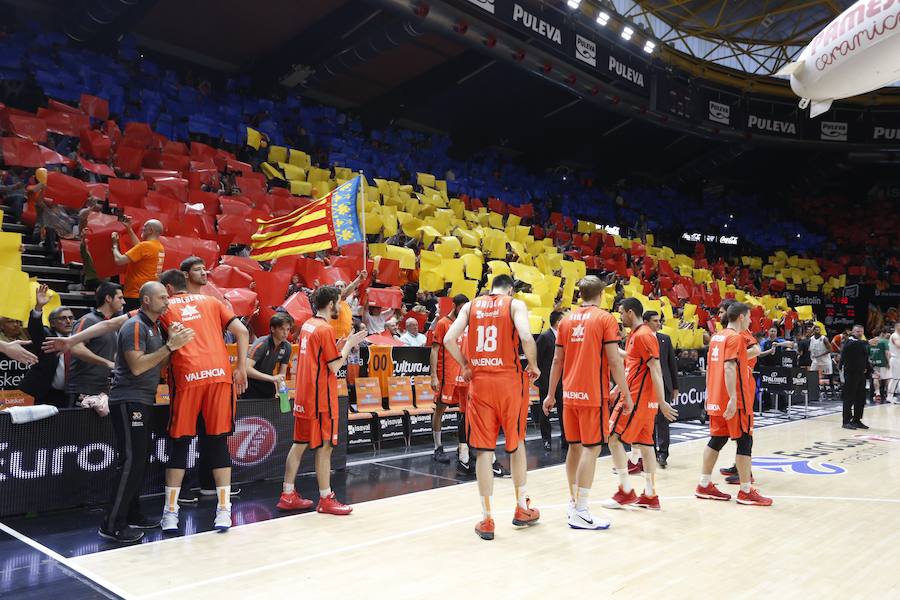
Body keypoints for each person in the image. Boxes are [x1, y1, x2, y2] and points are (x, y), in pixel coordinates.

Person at [444, 274, 541, 541]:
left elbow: (448, 339)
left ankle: (487, 520)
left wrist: (465, 364)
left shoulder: (470, 306)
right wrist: (532, 365)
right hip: (509, 382)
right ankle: (522, 508)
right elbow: (525, 336)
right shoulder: (514, 304)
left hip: (481, 382)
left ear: (490, 288)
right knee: (516, 444)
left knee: (484, 452)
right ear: (509, 289)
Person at [101, 282, 195, 543]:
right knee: (131, 462)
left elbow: (160, 365)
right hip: (127, 400)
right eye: (162, 297)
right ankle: (111, 524)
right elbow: (137, 367)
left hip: (143, 400)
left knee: (139, 461)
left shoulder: (154, 327)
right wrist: (168, 346)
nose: (167, 301)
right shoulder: (134, 326)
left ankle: (132, 514)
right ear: (145, 300)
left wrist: (172, 345)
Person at [158, 268, 249, 532]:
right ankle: (223, 512)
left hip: (187, 377)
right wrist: (241, 367)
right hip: (220, 376)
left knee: (180, 444)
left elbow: (114, 324)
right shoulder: (212, 301)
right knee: (219, 443)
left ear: (168, 290)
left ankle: (170, 513)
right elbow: (242, 331)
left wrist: (72, 340)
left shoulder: (163, 305)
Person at [542, 277, 630, 530]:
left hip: (569, 395)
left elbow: (557, 361)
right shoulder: (605, 319)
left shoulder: (566, 319)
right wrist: (626, 393)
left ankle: (573, 503)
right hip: (593, 394)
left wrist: (550, 395)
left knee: (575, 448)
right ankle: (581, 509)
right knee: (591, 449)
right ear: (601, 293)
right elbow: (614, 361)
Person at [276, 286, 368, 514]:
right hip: (320, 399)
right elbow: (334, 366)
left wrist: (337, 348)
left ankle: (287, 494)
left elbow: (319, 356)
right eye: (339, 302)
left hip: (304, 396)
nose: (341, 306)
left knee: (298, 445)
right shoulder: (325, 329)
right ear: (331, 304)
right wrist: (348, 345)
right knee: (325, 447)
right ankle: (326, 498)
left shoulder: (308, 324)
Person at [602, 298, 677, 511]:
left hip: (636, 399)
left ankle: (625, 491)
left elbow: (655, 369)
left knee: (613, 437)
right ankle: (651, 495)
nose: (620, 316)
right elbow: (635, 362)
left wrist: (662, 401)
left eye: (622, 312)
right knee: (646, 445)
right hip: (641, 399)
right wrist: (618, 385)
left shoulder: (643, 335)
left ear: (631, 312)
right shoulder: (636, 335)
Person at [696, 302, 772, 507]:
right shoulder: (736, 338)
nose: (749, 321)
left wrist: (709, 393)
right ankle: (746, 491)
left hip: (715, 396)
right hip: (735, 399)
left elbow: (711, 369)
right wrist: (732, 397)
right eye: (748, 318)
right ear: (741, 317)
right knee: (745, 440)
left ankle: (704, 484)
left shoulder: (716, 337)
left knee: (717, 440)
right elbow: (729, 368)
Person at [66, 282, 125, 406]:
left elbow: (109, 353)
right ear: (108, 298)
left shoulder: (111, 325)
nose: (123, 302)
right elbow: (75, 347)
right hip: (82, 389)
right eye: (120, 298)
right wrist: (107, 363)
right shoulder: (88, 320)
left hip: (102, 388)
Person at [19, 284, 74, 408]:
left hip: (68, 395)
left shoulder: (78, 338)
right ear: (53, 323)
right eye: (63, 318)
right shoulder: (47, 336)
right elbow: (35, 328)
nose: (68, 321)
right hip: (42, 393)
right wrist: (39, 307)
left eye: (71, 318)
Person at [429, 295, 468, 465]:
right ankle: (437, 447)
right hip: (446, 374)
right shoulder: (443, 323)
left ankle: (463, 446)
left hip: (463, 374)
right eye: (461, 308)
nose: (463, 312)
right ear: (454, 306)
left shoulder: (465, 324)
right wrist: (433, 376)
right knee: (440, 409)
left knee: (465, 410)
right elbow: (434, 350)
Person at [643, 311, 678, 468]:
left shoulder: (665, 339)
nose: (658, 323)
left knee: (664, 420)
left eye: (659, 320)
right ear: (645, 322)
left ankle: (663, 453)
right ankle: (650, 451)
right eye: (655, 320)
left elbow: (672, 364)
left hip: (664, 384)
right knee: (648, 420)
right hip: (645, 385)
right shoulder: (640, 337)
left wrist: (675, 386)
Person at [111, 218, 165, 311]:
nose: (142, 229)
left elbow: (119, 260)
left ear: (151, 230)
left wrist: (114, 246)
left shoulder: (145, 246)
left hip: (134, 293)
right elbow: (139, 246)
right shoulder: (158, 246)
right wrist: (129, 229)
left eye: (144, 227)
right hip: (147, 293)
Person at [533, 311, 565, 452]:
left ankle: (566, 439)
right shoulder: (545, 337)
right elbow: (536, 357)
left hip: (562, 381)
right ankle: (546, 440)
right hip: (547, 381)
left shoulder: (564, 337)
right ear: (558, 322)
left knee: (564, 412)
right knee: (545, 412)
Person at [242, 313, 293, 400]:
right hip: (251, 384)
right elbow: (246, 369)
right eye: (282, 329)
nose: (285, 333)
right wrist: (272, 378)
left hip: (268, 383)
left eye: (288, 329)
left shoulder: (287, 347)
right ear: (272, 329)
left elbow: (281, 375)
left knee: (272, 411)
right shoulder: (262, 344)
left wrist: (282, 393)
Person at [840, 324, 870, 430]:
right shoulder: (849, 342)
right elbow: (854, 346)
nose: (860, 333)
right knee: (849, 397)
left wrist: (868, 368)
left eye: (861, 331)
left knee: (860, 398)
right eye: (857, 331)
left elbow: (864, 356)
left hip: (860, 374)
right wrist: (868, 342)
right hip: (850, 373)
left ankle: (856, 420)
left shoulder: (861, 343)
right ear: (852, 332)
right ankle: (846, 421)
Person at [330, 271, 366, 339]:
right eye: (337, 286)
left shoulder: (346, 303)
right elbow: (345, 293)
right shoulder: (333, 301)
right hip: (335, 338)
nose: (339, 288)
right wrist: (359, 279)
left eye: (341, 286)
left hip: (346, 338)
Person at [808, 325, 836, 398]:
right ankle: (812, 390)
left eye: (818, 330)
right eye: (816, 330)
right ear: (813, 331)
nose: (817, 331)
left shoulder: (824, 338)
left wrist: (819, 355)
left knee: (829, 376)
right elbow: (810, 349)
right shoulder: (811, 339)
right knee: (812, 374)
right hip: (816, 360)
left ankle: (833, 392)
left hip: (825, 360)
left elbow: (830, 350)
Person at [868, 328, 891, 403]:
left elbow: (868, 354)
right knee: (887, 379)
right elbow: (887, 353)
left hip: (874, 363)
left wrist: (870, 362)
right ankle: (888, 394)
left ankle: (877, 393)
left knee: (876, 378)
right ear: (882, 333)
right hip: (883, 363)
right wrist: (888, 362)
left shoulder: (870, 342)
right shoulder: (884, 341)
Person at [889, 322, 900, 404]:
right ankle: (889, 396)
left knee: (897, 379)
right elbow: (898, 345)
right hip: (895, 359)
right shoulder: (895, 335)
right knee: (894, 378)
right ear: (897, 327)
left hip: (897, 359)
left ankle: (894, 395)